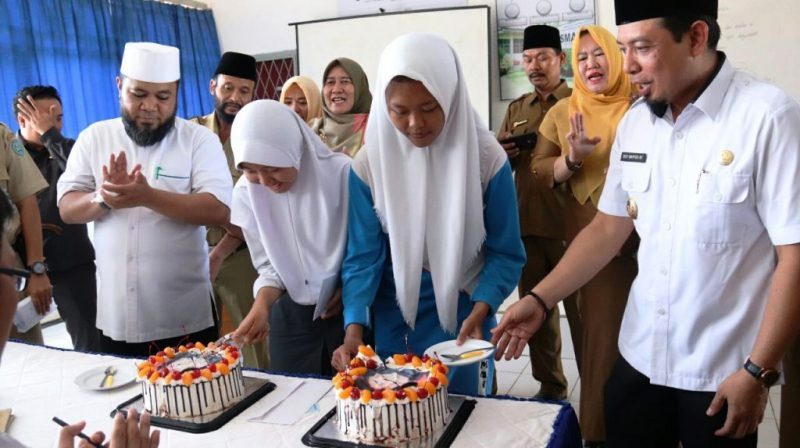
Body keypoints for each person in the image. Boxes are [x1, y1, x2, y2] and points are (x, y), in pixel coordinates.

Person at [492, 0, 800, 446]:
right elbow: (606, 228)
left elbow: (793, 254)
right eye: (623, 47)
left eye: (642, 47)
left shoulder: (767, 117)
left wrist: (759, 370)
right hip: (638, 359)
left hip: (721, 372)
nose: (627, 65)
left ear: (696, 37)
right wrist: (541, 300)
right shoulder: (638, 123)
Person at [331, 33, 525, 395]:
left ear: (451, 96)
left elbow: (506, 251)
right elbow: (363, 256)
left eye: (430, 107)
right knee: (401, 408)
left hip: (467, 309)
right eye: (399, 111)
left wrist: (482, 308)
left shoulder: (486, 158)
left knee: (464, 414)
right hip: (397, 310)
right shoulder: (370, 164)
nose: (415, 124)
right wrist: (354, 328)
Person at [57, 42, 232, 357]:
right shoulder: (94, 137)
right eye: (139, 94)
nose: (150, 106)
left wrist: (147, 197)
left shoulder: (199, 141)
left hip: (183, 317)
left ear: (176, 93)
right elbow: (67, 208)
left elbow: (218, 209)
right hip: (116, 315)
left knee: (194, 400)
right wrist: (104, 197)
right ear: (120, 86)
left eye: (163, 97)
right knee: (127, 403)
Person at [530, 25, 637, 445]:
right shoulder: (564, 112)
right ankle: (599, 434)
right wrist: (572, 159)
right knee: (603, 344)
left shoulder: (644, 106)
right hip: (597, 247)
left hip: (651, 242)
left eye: (600, 55)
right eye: (583, 58)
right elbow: (540, 172)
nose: (591, 64)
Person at [230, 100, 349, 375]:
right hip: (291, 322)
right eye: (250, 170)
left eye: (273, 167)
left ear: (294, 149)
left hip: (349, 320)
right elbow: (271, 266)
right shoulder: (246, 193)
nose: (265, 181)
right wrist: (261, 306)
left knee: (356, 406)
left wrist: (348, 287)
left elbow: (368, 251)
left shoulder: (341, 175)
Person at [497, 24, 580, 402]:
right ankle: (551, 387)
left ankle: (596, 389)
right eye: (528, 59)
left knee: (583, 318)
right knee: (537, 316)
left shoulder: (580, 104)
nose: (534, 65)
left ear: (560, 60)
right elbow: (497, 163)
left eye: (543, 57)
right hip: (527, 228)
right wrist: (503, 153)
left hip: (572, 230)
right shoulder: (517, 109)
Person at [190, 51, 267, 369]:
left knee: (251, 342)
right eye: (228, 88)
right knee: (200, 348)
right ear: (212, 86)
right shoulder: (191, 134)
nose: (235, 98)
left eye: (244, 91)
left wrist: (220, 252)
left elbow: (258, 207)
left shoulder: (258, 140)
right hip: (193, 256)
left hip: (241, 258)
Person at [13, 85, 102, 352]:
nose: (54, 124)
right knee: (23, 348)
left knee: (92, 343)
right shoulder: (11, 155)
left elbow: (90, 174)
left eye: (58, 118)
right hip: (21, 266)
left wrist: (49, 133)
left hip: (71, 262)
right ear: (22, 119)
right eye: (45, 117)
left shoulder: (68, 149)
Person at [0, 123, 51, 345]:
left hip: (4, 266)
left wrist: (37, 270)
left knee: (27, 359)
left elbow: (27, 200)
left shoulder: (1, 135)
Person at [310, 58, 371, 156]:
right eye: (330, 82)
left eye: (345, 81)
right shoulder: (311, 131)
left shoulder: (375, 131)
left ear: (360, 88)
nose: (336, 89)